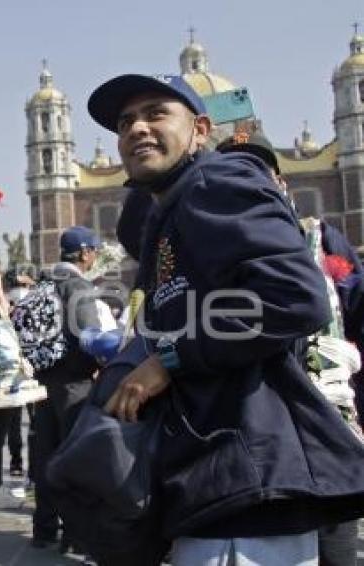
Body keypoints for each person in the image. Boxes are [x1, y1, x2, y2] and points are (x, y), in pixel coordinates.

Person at [88, 73, 364, 565]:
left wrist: (169, 360)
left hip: (246, 481)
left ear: (200, 129)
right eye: (126, 121)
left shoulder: (218, 181)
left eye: (156, 113)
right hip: (212, 479)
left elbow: (294, 297)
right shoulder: (171, 208)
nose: (136, 128)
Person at [217, 132, 364, 566]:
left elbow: (354, 309)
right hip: (252, 420)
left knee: (336, 525)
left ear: (281, 184)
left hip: (325, 406)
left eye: (259, 172)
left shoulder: (320, 238)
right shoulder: (208, 245)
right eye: (233, 174)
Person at [29, 226, 104, 552]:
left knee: (45, 457)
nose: (96, 257)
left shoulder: (44, 284)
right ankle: (76, 536)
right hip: (75, 384)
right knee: (76, 459)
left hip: (43, 383)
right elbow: (91, 337)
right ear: (85, 253)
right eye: (95, 251)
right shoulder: (78, 286)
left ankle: (44, 530)